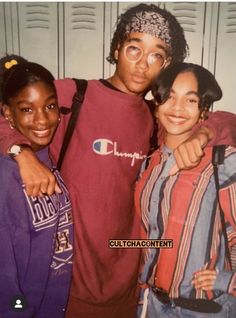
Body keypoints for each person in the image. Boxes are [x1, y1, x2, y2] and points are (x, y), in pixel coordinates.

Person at [0, 4, 236, 318]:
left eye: (157, 55)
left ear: (166, 64)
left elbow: (226, 121)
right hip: (67, 287)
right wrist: (21, 151)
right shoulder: (73, 96)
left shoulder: (158, 118)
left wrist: (203, 135)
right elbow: (14, 106)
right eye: (134, 48)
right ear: (117, 48)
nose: (142, 64)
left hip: (131, 290)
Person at [135, 62, 236, 317]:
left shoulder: (223, 161)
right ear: (156, 105)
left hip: (205, 309)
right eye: (168, 97)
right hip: (152, 304)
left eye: (190, 100)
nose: (177, 108)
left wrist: (228, 280)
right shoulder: (149, 163)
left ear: (203, 111)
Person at [0, 57, 73, 317]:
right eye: (27, 109)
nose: (43, 120)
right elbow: (5, 280)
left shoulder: (46, 157)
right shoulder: (6, 179)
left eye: (50, 106)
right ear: (8, 113)